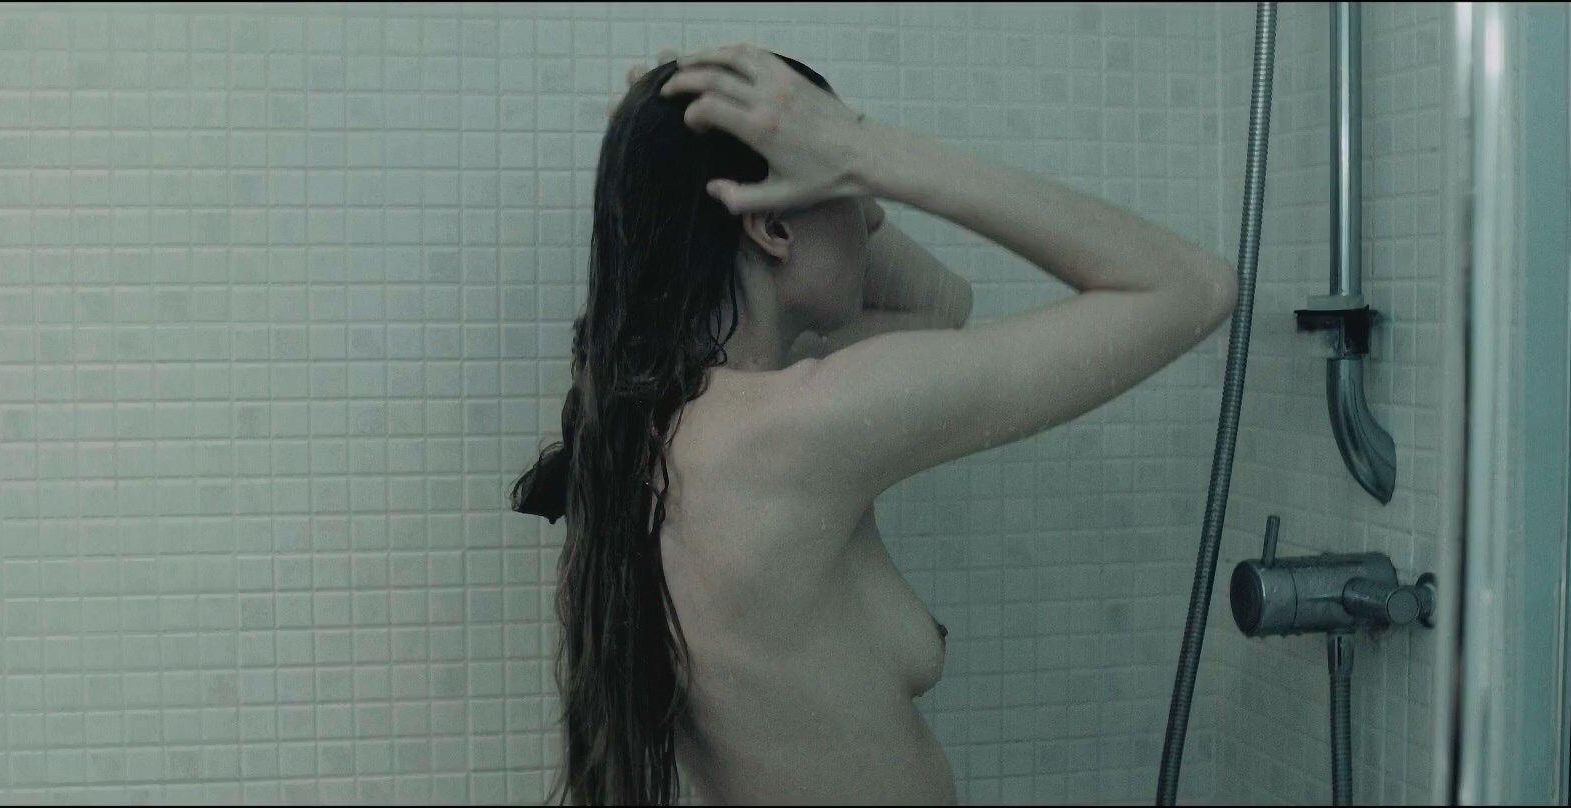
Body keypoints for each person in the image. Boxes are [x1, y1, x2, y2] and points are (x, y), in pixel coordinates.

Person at [509, 44, 1237, 806]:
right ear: (773, 228)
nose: (878, 214)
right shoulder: (797, 429)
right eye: (851, 192)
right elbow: (1193, 287)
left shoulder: (673, 420)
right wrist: (865, 150)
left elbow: (940, 306)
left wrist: (693, 164)